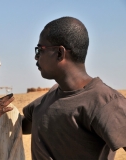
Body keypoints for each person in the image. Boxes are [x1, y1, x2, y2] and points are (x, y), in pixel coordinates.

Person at [22, 17, 126, 160]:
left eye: (40, 50)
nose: (36, 57)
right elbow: (21, 125)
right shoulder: (50, 97)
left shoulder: (105, 102)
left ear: (60, 53)